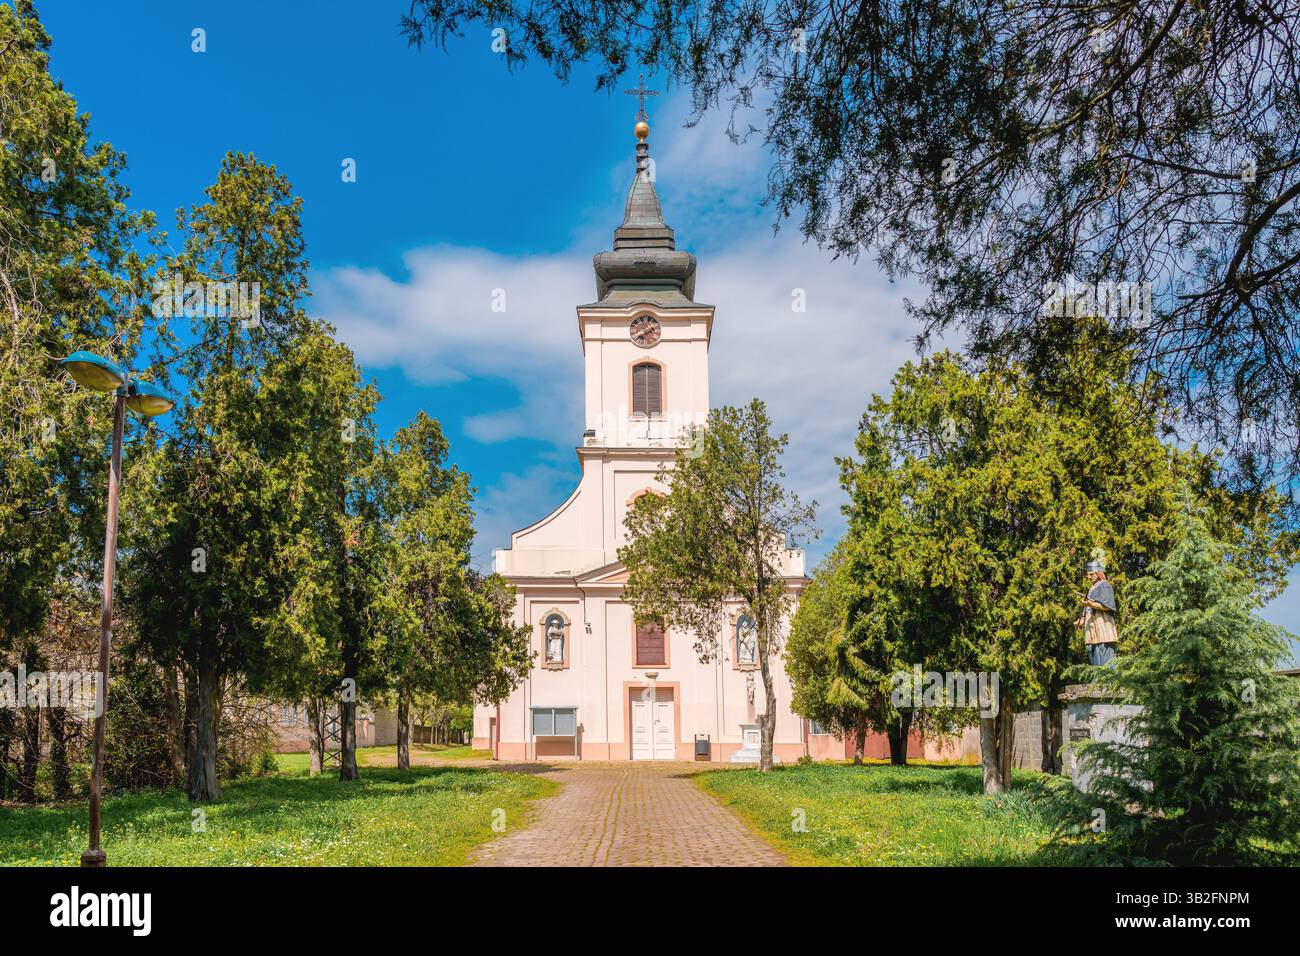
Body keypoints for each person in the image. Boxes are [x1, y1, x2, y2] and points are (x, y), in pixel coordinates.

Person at [1077, 558, 1119, 666]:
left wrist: (1090, 604)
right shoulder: (1092, 588)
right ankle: (1097, 678)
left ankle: (1108, 679)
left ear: (1098, 573)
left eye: (1091, 574)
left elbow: (1108, 606)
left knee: (1104, 648)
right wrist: (1081, 619)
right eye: (1088, 574)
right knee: (1093, 650)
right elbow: (1087, 609)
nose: (1089, 577)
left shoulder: (1105, 585)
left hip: (1103, 624)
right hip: (1092, 626)